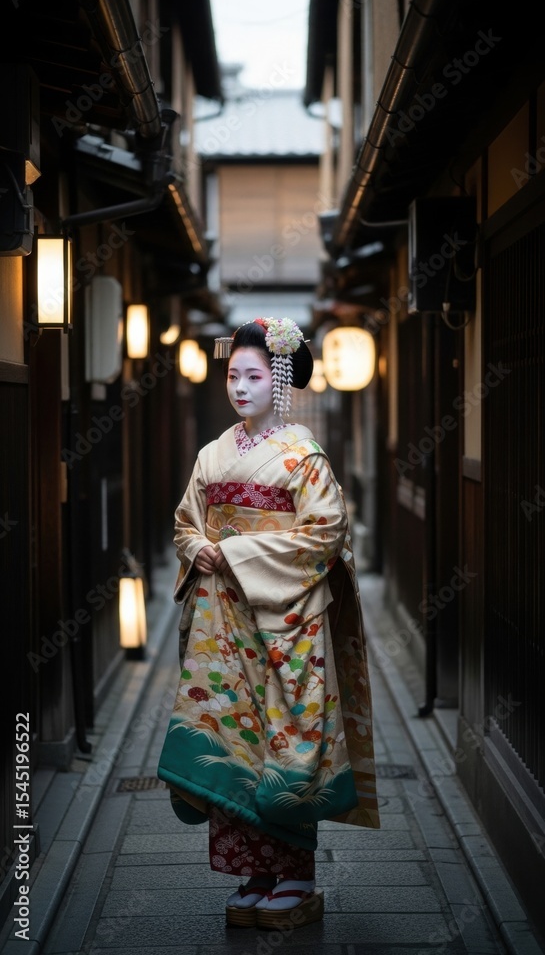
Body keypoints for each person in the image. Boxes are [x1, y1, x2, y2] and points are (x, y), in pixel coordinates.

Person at [157, 316, 380, 931]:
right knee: (233, 737)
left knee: (286, 738)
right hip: (221, 622)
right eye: (233, 375)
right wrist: (197, 546)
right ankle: (255, 873)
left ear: (279, 381)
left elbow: (327, 533)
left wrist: (234, 553)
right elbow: (186, 520)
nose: (240, 386)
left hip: (285, 620)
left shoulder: (302, 455)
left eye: (254, 375)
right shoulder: (213, 453)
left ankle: (298, 878)